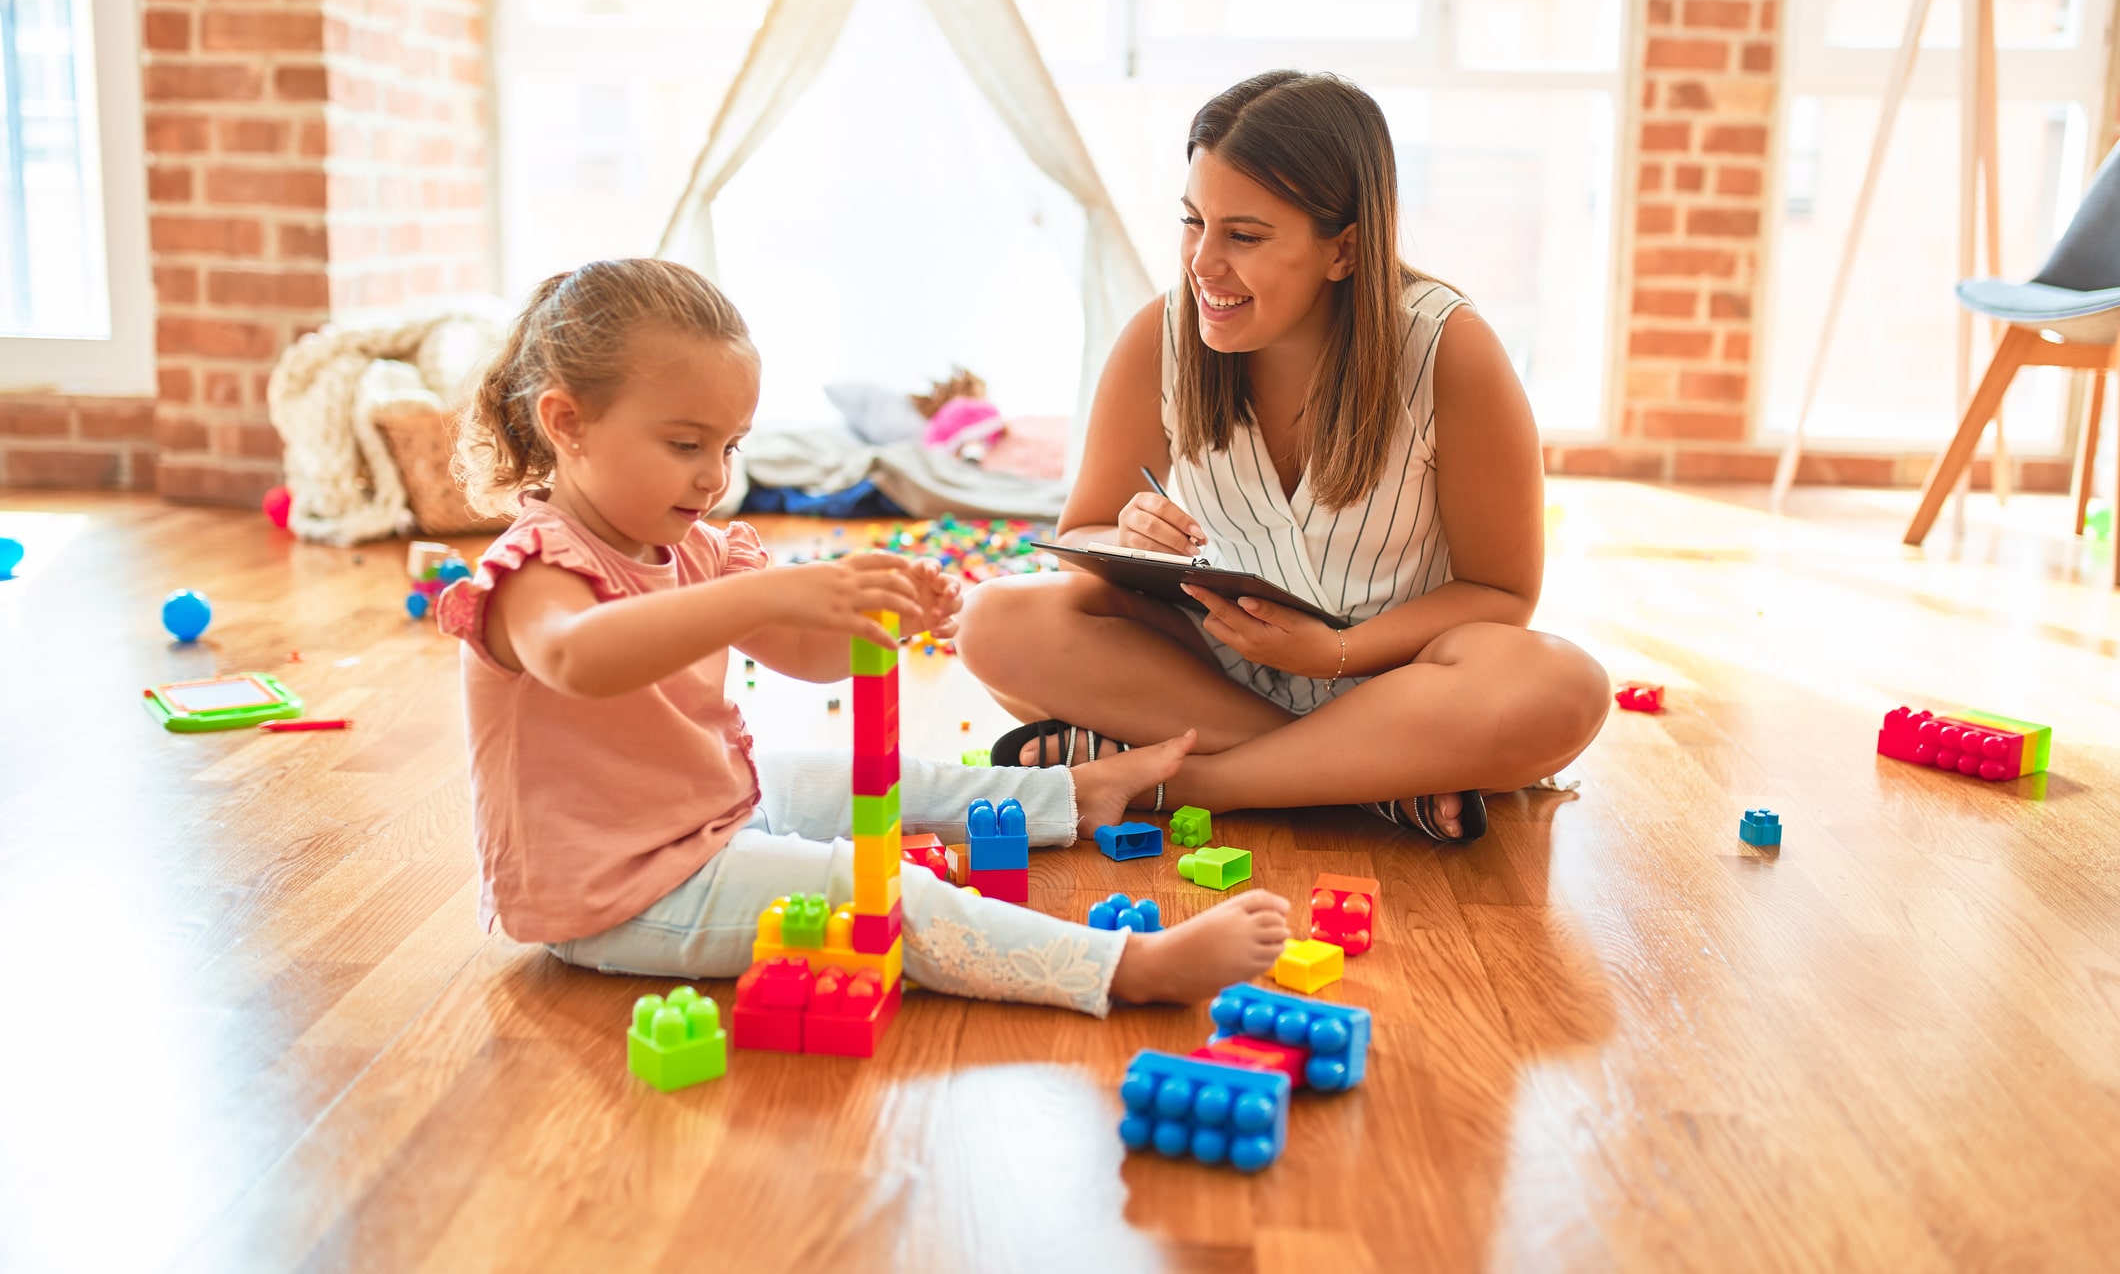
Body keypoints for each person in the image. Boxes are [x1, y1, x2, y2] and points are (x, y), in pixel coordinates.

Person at [439, 258, 1288, 1015]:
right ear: (568, 423)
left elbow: (801, 656)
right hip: (617, 894)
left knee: (845, 778)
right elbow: (577, 657)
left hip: (703, 821)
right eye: (685, 444)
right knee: (879, 892)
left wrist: (879, 625)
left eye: (731, 445)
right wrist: (771, 590)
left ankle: (1073, 797)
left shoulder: (690, 548)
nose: (714, 475)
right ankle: (1122, 968)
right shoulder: (531, 570)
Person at [957, 72, 1610, 843]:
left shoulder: (1449, 351)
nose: (1203, 263)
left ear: (1345, 248)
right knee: (995, 621)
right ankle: (1371, 782)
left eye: (1245, 235)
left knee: (1563, 687)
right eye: (1194, 222)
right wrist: (1127, 535)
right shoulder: (1157, 338)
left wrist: (1339, 651)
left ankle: (1189, 781)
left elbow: (1501, 592)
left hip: (1406, 689)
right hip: (1212, 676)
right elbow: (1086, 541)